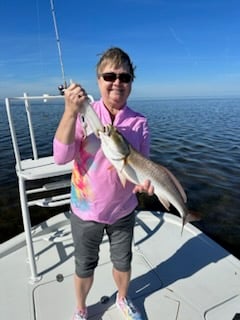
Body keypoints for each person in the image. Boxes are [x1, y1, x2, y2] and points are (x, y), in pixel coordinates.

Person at [53, 47, 154, 320]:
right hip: (86, 211)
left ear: (131, 83)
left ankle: (123, 298)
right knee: (84, 265)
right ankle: (81, 309)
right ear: (98, 80)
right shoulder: (85, 114)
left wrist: (142, 185)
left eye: (125, 77)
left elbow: (140, 165)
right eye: (110, 76)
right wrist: (69, 111)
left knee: (123, 262)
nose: (117, 82)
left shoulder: (139, 122)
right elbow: (61, 157)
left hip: (123, 210)